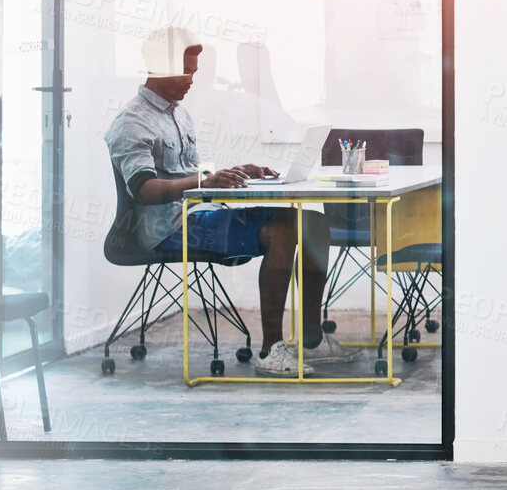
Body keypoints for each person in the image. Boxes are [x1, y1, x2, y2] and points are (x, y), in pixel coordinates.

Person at [104, 27, 349, 377]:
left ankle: (311, 338)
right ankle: (270, 351)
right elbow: (144, 189)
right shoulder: (132, 122)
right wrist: (204, 181)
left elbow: (183, 173)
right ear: (159, 67)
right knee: (282, 229)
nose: (192, 80)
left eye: (195, 72)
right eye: (186, 72)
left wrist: (230, 172)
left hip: (200, 215)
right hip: (167, 231)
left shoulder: (177, 113)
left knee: (313, 222)